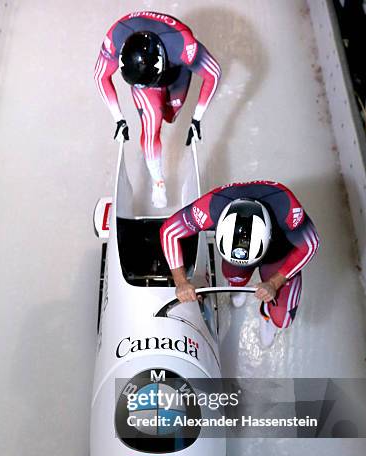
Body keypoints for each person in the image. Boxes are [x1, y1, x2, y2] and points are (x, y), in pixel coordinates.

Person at [160, 182, 320, 347]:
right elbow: (169, 232)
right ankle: (238, 285)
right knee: (234, 274)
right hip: (236, 259)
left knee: (283, 319)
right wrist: (181, 282)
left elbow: (310, 244)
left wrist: (274, 282)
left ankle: (266, 313)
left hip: (279, 252)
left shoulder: (288, 209)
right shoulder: (208, 209)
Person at [94, 11, 221, 208]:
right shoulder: (116, 38)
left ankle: (162, 98)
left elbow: (213, 73)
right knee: (152, 121)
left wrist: (196, 119)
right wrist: (118, 119)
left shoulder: (183, 46)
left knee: (170, 116)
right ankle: (158, 182)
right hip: (155, 66)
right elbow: (100, 76)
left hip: (175, 72)